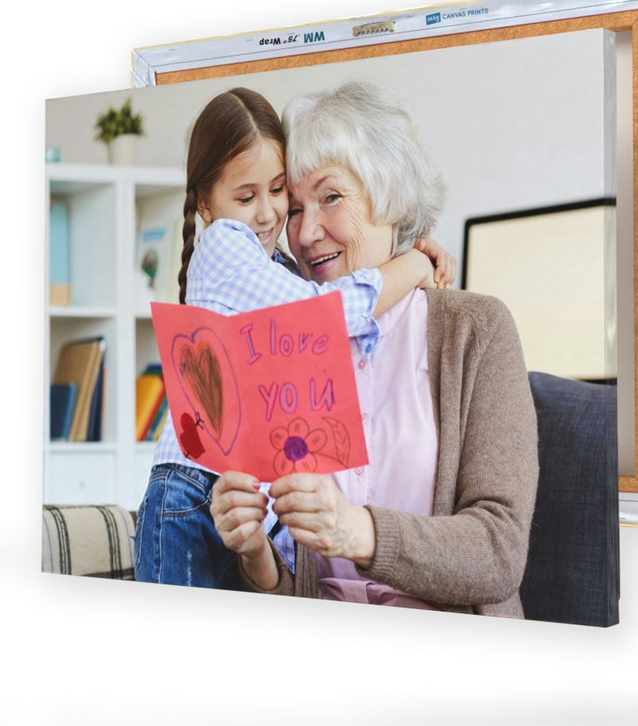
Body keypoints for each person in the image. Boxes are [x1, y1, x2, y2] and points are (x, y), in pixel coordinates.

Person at [210, 81, 540, 618]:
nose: (307, 231)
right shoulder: (290, 344)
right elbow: (302, 587)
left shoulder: (475, 330)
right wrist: (255, 555)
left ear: (391, 196)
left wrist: (355, 530)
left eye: (331, 197)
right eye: (294, 209)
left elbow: (499, 553)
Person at [134, 87, 454, 589]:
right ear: (205, 205)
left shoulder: (273, 270)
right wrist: (413, 262)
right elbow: (327, 314)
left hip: (234, 500)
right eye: (245, 197)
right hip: (193, 493)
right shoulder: (225, 244)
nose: (269, 215)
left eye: (278, 190)